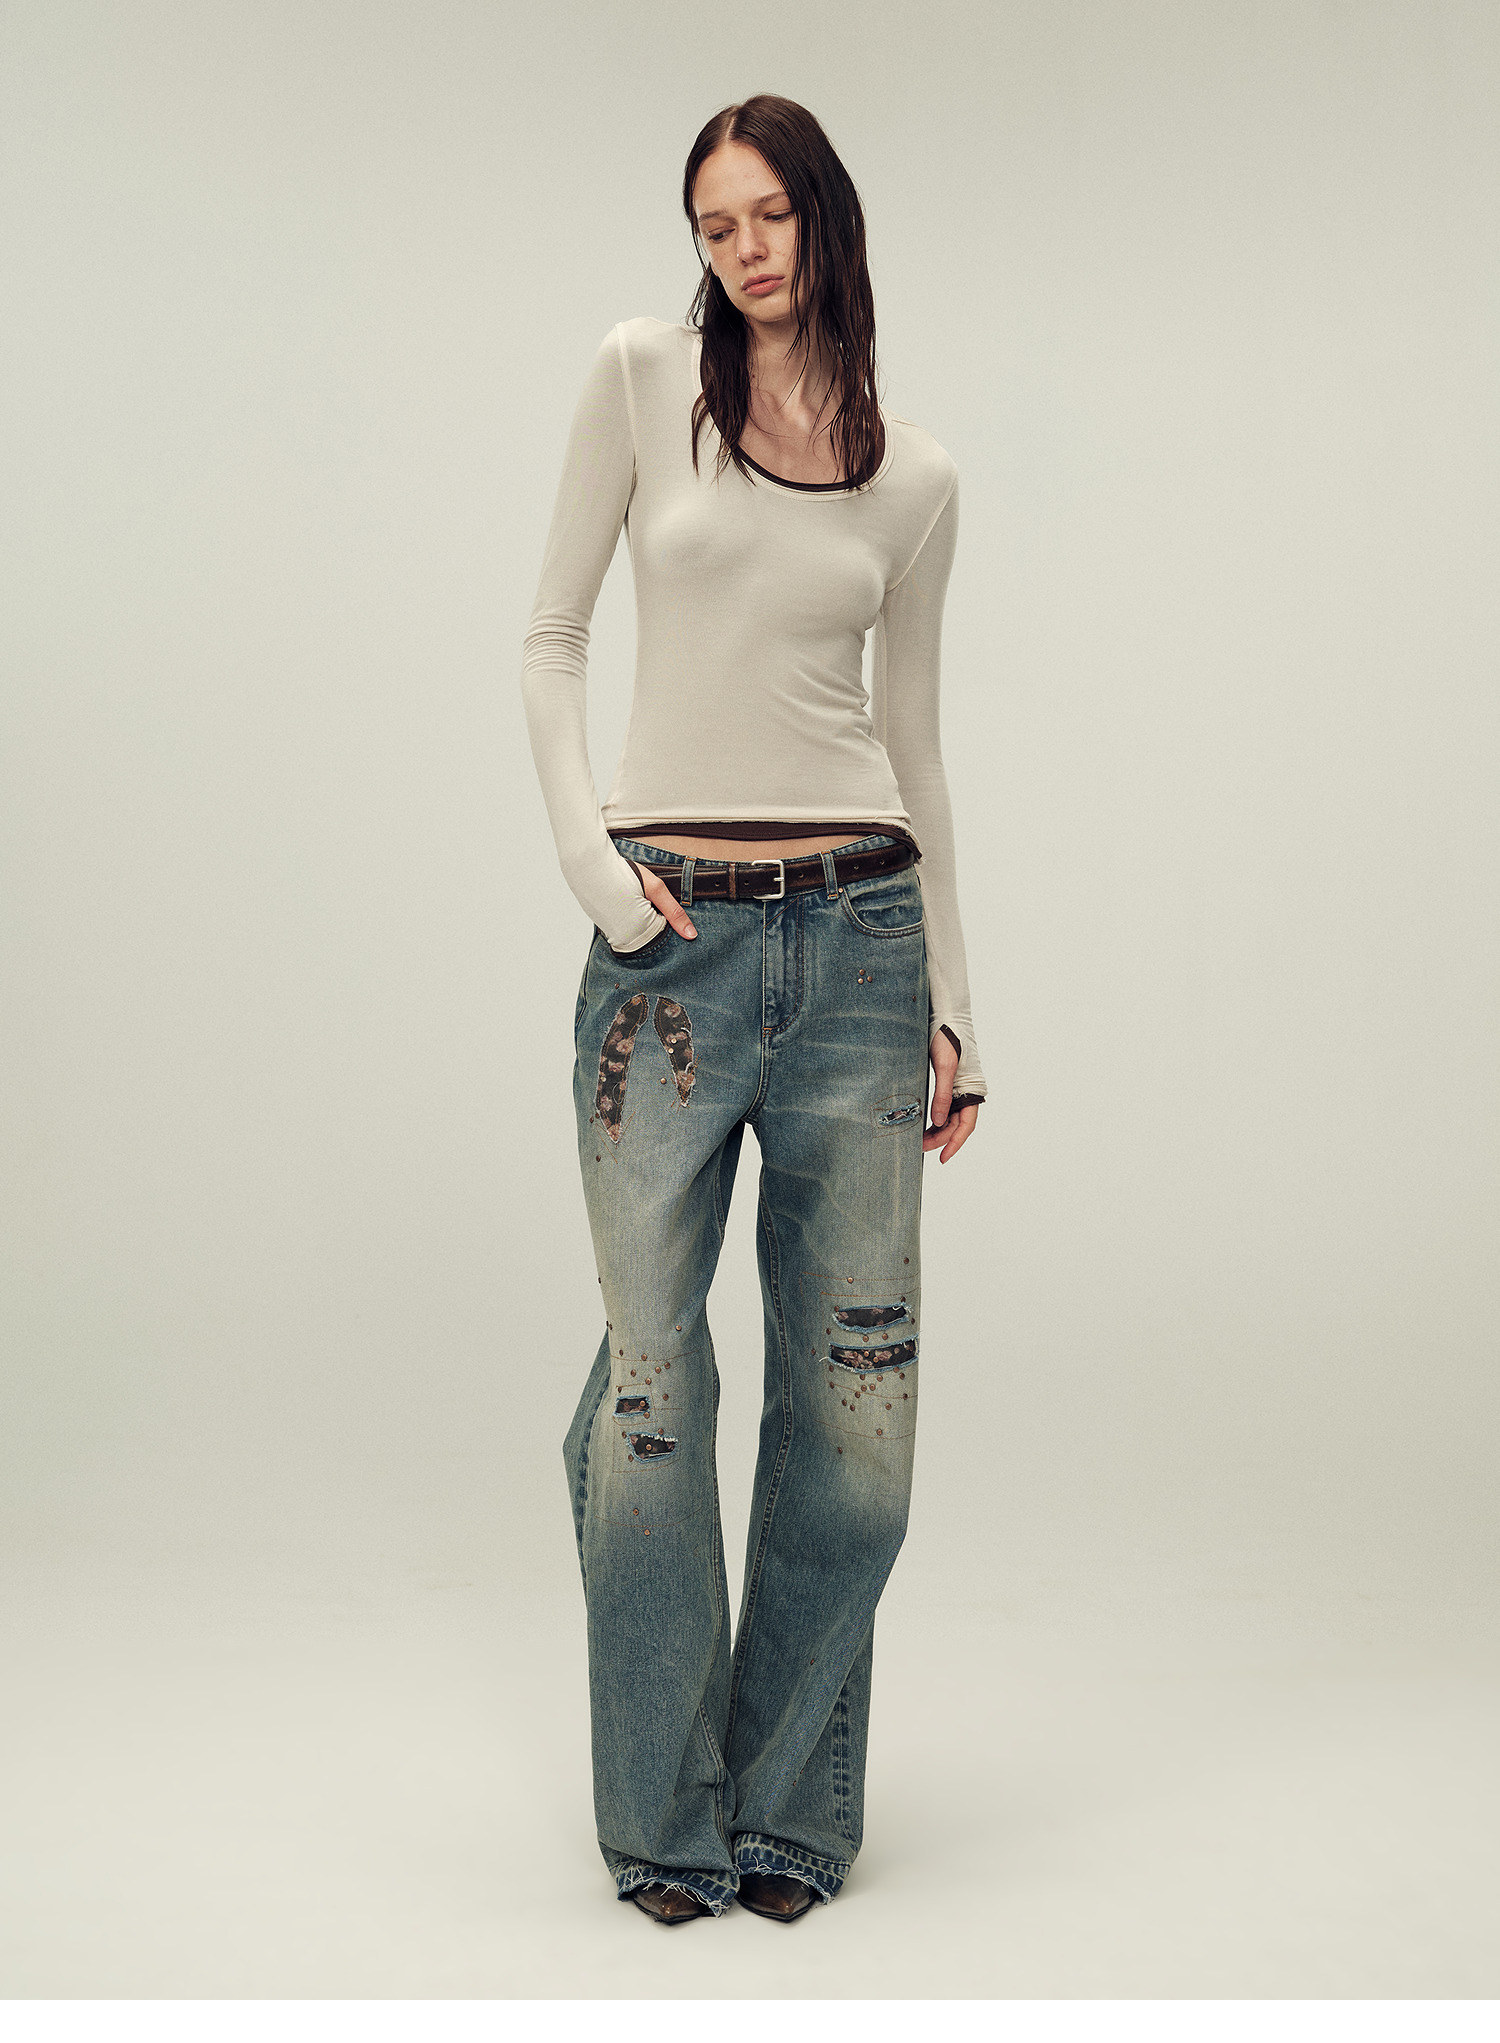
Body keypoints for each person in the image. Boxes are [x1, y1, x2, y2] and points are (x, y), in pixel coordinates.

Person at [520, 93, 987, 1927]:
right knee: (652, 1391)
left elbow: (918, 750)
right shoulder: (647, 381)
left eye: (770, 214)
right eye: (715, 225)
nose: (744, 250)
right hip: (672, 956)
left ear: (825, 220)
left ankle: (789, 1808)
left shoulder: (915, 479)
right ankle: (665, 1819)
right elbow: (551, 635)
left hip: (863, 944)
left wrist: (957, 999)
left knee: (854, 1414)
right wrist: (594, 870)